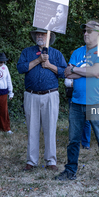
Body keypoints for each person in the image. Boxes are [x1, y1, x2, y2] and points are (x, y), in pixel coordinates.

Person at [56, 21, 99, 185]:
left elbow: (96, 71)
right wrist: (85, 71)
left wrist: (79, 70)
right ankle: (70, 171)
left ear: (98, 34)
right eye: (84, 31)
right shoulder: (77, 52)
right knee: (73, 139)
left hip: (96, 102)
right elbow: (68, 73)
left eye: (89, 31)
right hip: (76, 102)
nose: (85, 34)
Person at [17, 28, 67, 171]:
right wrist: (38, 60)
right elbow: (20, 68)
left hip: (50, 95)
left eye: (43, 34)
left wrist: (49, 65)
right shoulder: (27, 52)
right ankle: (31, 161)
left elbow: (65, 72)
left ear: (48, 36)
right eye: (38, 34)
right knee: (32, 128)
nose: (40, 36)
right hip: (31, 95)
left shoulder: (56, 53)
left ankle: (51, 161)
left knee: (50, 128)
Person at [65, 78, 92, 149]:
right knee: (74, 121)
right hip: (73, 97)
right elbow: (67, 82)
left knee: (87, 121)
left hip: (87, 96)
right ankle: (74, 143)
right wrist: (79, 84)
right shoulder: (72, 66)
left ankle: (86, 143)